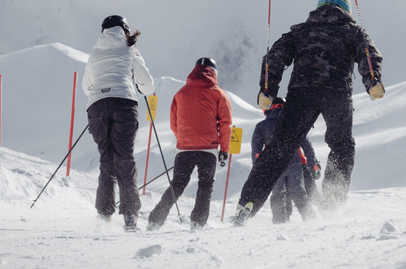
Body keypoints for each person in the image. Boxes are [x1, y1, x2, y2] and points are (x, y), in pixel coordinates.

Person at [233, 0, 383, 225]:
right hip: (337, 93)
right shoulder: (353, 31)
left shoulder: (300, 31)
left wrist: (267, 90)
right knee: (341, 145)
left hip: (301, 94)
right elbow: (368, 53)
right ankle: (333, 200)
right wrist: (372, 81)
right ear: (347, 11)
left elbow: (275, 56)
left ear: (319, 8)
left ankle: (247, 205)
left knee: (280, 147)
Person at [83, 15, 154, 232]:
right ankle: (130, 216)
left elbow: (87, 87)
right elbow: (147, 85)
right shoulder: (129, 50)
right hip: (124, 104)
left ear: (103, 30)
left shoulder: (94, 53)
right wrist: (137, 86)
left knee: (107, 160)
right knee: (124, 159)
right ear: (124, 30)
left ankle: (104, 216)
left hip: (97, 107)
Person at [147, 57, 232, 231]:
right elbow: (225, 124)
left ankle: (155, 221)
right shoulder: (219, 94)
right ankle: (197, 223)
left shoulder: (181, 93)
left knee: (177, 184)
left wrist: (184, 138)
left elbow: (173, 122)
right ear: (214, 73)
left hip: (184, 148)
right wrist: (224, 149)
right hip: (208, 150)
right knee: (205, 185)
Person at [250, 97, 317, 223]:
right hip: (294, 163)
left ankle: (279, 225)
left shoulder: (261, 126)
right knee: (299, 193)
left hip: (273, 166)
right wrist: (313, 163)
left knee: (278, 196)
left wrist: (258, 170)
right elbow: (307, 146)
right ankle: (312, 222)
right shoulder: (295, 123)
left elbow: (256, 151)